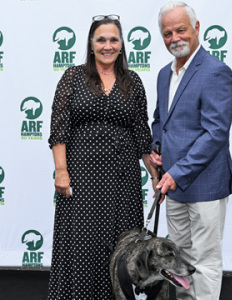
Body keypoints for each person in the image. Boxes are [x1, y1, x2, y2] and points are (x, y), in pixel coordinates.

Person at [48, 15, 156, 299]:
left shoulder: (133, 81)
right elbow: (59, 128)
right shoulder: (73, 77)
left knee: (122, 250)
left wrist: (155, 174)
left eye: (113, 39)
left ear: (121, 45)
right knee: (82, 245)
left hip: (123, 180)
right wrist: (61, 170)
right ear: (91, 44)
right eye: (101, 39)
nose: (107, 45)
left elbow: (141, 133)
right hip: (81, 177)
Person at [150, 2, 232, 300]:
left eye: (181, 30)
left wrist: (177, 173)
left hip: (206, 186)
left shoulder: (216, 72)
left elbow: (215, 133)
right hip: (173, 186)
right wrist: (155, 147)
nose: (174, 38)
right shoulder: (164, 74)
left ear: (197, 28)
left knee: (205, 261)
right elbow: (161, 119)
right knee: (180, 260)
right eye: (167, 33)